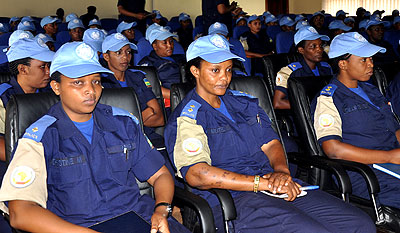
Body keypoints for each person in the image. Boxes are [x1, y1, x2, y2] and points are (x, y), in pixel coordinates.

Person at [164, 34, 376, 233]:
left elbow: (271, 143)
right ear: (195, 71)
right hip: (232, 198)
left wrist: (282, 172)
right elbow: (198, 174)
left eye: (228, 70)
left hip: (273, 184)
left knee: (359, 223)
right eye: (215, 70)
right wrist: (262, 183)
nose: (225, 78)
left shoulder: (243, 102)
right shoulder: (188, 117)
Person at [0, 41, 189, 233]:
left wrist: (161, 209)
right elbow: (20, 213)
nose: (90, 90)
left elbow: (160, 174)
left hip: (138, 217)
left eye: (96, 81)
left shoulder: (123, 123)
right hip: (76, 227)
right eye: (78, 82)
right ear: (56, 87)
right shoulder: (39, 138)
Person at [311, 32, 400, 209]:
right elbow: (333, 150)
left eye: (371, 59)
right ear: (343, 64)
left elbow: (393, 130)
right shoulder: (329, 98)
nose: (371, 64)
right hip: (367, 173)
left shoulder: (371, 90)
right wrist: (390, 156)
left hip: (392, 163)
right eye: (364, 60)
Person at [101, 33, 165, 146]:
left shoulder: (138, 77)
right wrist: (147, 112)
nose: (125, 57)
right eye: (118, 52)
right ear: (106, 57)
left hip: (148, 136)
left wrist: (131, 119)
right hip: (119, 142)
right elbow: (112, 126)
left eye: (128, 52)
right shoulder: (102, 82)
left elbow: (159, 118)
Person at [0, 37, 54, 162]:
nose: (49, 72)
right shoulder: (3, 96)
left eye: (49, 66)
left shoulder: (50, 92)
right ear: (22, 69)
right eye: (42, 67)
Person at [273, 26, 331, 110]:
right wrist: (313, 105)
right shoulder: (288, 72)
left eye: (320, 45)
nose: (319, 49)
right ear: (301, 50)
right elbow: (278, 103)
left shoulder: (326, 68)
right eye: (313, 46)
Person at [138, 25, 185, 111]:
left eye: (171, 41)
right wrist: (183, 97)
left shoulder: (180, 58)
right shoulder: (148, 63)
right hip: (172, 102)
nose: (169, 45)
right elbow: (153, 88)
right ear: (155, 46)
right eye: (164, 42)